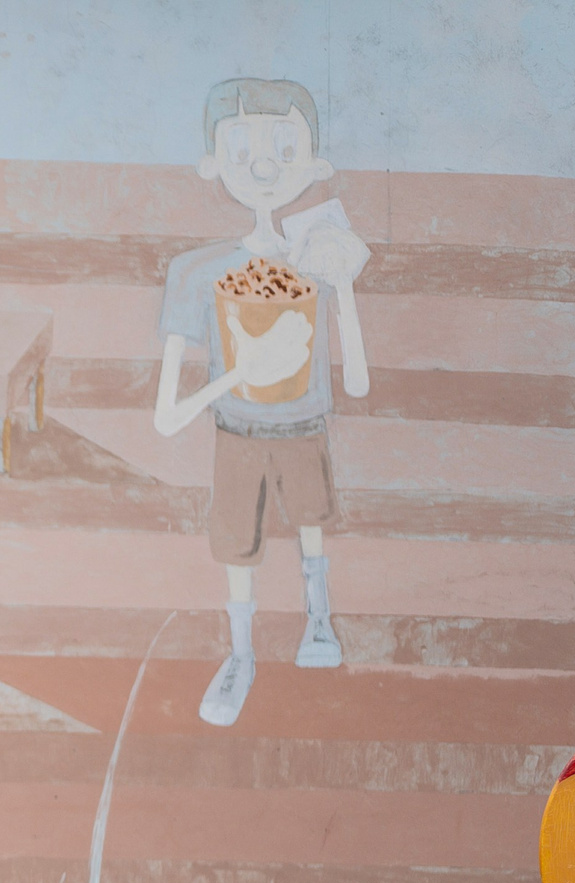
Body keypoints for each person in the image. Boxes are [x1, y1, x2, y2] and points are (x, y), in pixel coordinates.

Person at [150, 78, 371, 728]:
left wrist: (347, 289)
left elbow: (354, 384)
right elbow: (167, 415)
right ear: (212, 163)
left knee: (311, 524)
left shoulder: (318, 260)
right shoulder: (198, 273)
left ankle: (319, 621)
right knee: (236, 550)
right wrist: (236, 375)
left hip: (305, 425)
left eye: (284, 148)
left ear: (316, 164)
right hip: (236, 431)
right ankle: (241, 656)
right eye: (243, 148)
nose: (266, 166)